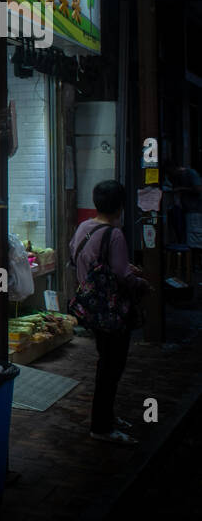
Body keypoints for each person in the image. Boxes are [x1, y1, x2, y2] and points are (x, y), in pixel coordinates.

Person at [70, 180, 151, 445]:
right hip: (112, 312)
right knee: (111, 369)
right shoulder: (114, 234)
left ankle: (107, 418)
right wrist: (142, 284)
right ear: (120, 205)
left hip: (92, 308)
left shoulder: (84, 227)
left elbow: (83, 259)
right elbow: (121, 276)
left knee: (106, 363)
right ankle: (101, 426)